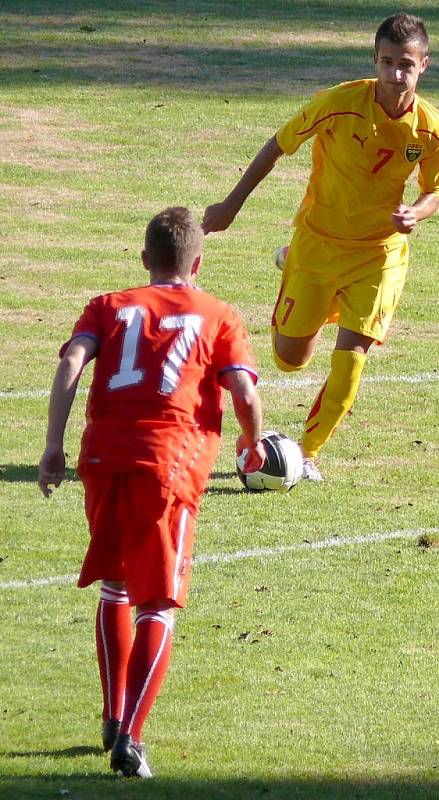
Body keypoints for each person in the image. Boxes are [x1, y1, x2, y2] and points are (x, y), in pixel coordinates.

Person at [37, 207, 266, 778]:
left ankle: (113, 717)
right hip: (169, 463)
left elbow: (71, 359)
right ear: (197, 262)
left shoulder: (109, 305)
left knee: (115, 585)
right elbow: (242, 387)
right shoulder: (219, 315)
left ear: (145, 259)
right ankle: (131, 739)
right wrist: (253, 442)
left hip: (102, 456)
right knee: (158, 601)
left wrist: (53, 445)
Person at [202, 12, 439, 481]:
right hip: (318, 244)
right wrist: (231, 205)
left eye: (406, 64)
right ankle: (291, 262)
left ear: (424, 65)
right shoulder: (337, 104)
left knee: (351, 358)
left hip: (380, 254)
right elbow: (277, 145)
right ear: (374, 61)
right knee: (289, 359)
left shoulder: (434, 131)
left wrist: (414, 213)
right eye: (387, 62)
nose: (396, 74)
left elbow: (434, 191)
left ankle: (309, 452)